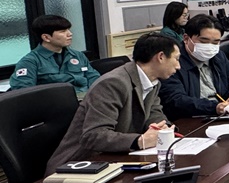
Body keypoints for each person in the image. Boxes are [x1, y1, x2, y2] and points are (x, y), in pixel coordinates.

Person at [45, 32, 181, 175]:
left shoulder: (153, 81)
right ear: (160, 57)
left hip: (114, 160)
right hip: (78, 166)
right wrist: (140, 140)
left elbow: (153, 112)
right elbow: (93, 136)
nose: (178, 66)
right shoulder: (113, 83)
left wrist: (163, 128)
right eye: (176, 59)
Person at [159, 14, 229, 119]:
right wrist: (215, 107)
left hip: (223, 114)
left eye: (215, 42)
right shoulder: (173, 62)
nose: (210, 47)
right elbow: (176, 100)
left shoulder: (218, 56)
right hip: (191, 119)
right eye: (204, 41)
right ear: (186, 38)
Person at [10, 14, 99, 95]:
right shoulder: (30, 61)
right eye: (63, 31)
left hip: (86, 99)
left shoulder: (78, 55)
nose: (70, 34)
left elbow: (94, 78)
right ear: (46, 37)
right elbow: (23, 92)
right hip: (53, 103)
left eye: (68, 30)